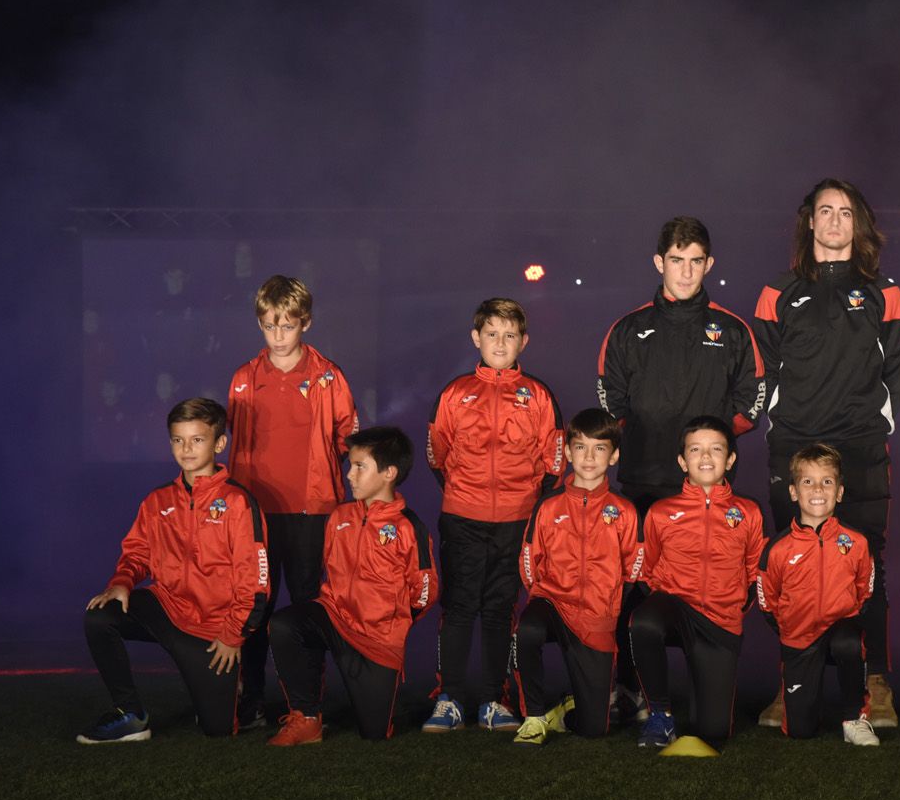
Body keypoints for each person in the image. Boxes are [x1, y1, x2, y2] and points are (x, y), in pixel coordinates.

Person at [754, 178, 900, 728]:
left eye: (846, 212)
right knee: (792, 567)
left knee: (869, 569)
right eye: (826, 211)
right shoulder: (778, 292)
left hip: (861, 446)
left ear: (858, 224)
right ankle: (793, 680)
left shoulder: (884, 291)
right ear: (810, 221)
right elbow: (764, 373)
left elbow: (898, 371)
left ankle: (875, 682)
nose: (836, 221)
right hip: (794, 445)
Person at [596, 216, 765, 721]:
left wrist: (708, 451)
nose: (686, 272)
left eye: (696, 262)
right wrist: (646, 441)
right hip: (645, 480)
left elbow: (752, 401)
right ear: (658, 262)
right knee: (636, 590)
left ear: (709, 264)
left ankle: (698, 686)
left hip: (710, 488)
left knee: (710, 587)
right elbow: (611, 402)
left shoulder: (732, 329)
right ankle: (633, 692)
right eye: (676, 261)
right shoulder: (629, 328)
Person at [78, 398, 268, 743]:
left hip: (212, 631)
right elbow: (137, 552)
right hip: (166, 608)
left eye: (197, 439)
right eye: (178, 440)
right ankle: (130, 715)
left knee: (218, 729)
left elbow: (255, 580)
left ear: (219, 444)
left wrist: (231, 635)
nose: (187, 449)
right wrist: (122, 581)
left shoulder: (238, 502)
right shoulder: (157, 500)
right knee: (100, 615)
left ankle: (232, 691)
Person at [423, 298, 563, 732]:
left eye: (509, 335)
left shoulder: (538, 395)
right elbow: (438, 455)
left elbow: (553, 462)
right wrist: (468, 496)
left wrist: (522, 504)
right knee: (461, 606)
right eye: (491, 334)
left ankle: (492, 699)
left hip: (516, 520)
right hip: (463, 516)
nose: (500, 343)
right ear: (475, 338)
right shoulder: (455, 392)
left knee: (501, 609)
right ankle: (449, 698)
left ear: (523, 341)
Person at [226, 275, 358, 729]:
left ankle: (305, 706)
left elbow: (348, 438)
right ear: (259, 325)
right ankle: (252, 701)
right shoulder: (245, 378)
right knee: (255, 607)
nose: (278, 335)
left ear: (306, 323)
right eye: (269, 326)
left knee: (305, 607)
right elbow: (234, 444)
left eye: (287, 325)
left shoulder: (327, 376)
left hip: (310, 511)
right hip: (256, 514)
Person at [267, 426, 437, 744]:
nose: (349, 475)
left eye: (360, 466)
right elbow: (329, 570)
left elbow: (425, 590)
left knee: (374, 733)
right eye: (350, 465)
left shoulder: (408, 526)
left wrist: (394, 620)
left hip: (377, 640)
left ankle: (371, 689)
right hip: (335, 617)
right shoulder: (339, 517)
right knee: (285, 624)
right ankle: (305, 718)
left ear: (389, 473)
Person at [629, 417, 765, 749]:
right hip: (675, 606)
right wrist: (661, 602)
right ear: (682, 461)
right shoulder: (661, 512)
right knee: (644, 621)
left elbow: (754, 570)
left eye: (716, 449)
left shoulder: (748, 512)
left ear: (730, 459)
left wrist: (732, 606)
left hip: (719, 621)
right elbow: (646, 569)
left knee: (714, 731)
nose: (706, 457)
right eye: (695, 450)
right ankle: (660, 715)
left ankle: (703, 689)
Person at [512, 408, 645, 745]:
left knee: (593, 728)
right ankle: (534, 716)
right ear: (568, 452)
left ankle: (568, 710)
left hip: (597, 618)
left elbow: (634, 567)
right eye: (581, 447)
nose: (589, 456)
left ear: (613, 456)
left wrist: (610, 603)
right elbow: (529, 560)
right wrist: (542, 594)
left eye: (599, 448)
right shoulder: (548, 505)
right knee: (526, 629)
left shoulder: (625, 510)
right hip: (553, 601)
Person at [754, 444, 878, 746]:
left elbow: (865, 591)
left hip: (840, 627)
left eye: (827, 481)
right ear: (794, 492)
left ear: (839, 492)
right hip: (799, 637)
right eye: (807, 481)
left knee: (849, 640)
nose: (818, 489)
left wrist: (845, 616)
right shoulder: (777, 549)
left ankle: (854, 718)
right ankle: (799, 698)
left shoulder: (856, 542)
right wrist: (789, 627)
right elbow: (767, 601)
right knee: (800, 731)